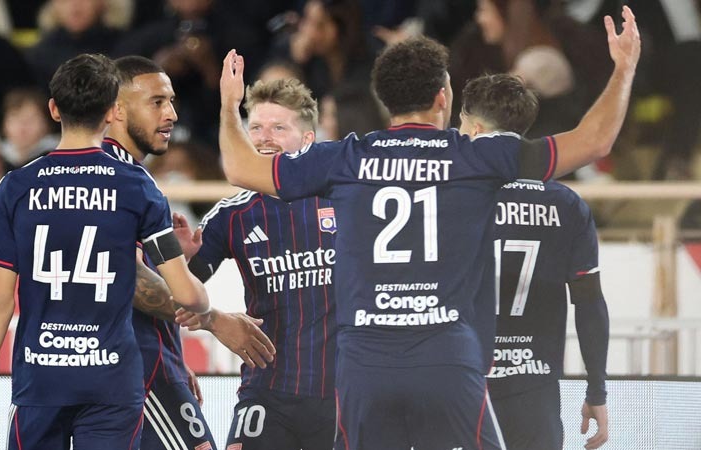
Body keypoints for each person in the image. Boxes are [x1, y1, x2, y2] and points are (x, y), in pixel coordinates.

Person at [215, 5, 639, 449]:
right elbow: (594, 141)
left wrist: (228, 107)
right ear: (443, 96)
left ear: (385, 100)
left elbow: (240, 168)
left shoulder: (344, 158)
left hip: (364, 365)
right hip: (447, 359)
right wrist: (623, 69)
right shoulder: (476, 155)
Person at [0, 53, 210, 450]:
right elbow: (185, 294)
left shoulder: (16, 187)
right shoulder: (138, 186)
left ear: (53, 109)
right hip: (111, 380)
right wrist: (204, 300)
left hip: (41, 378)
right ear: (113, 110)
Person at [103, 55, 276, 450]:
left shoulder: (101, 172)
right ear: (116, 109)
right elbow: (127, 279)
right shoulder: (127, 180)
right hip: (136, 367)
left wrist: (172, 351)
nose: (171, 114)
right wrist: (215, 320)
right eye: (157, 102)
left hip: (126, 362)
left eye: (171, 101)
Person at [178, 77, 338, 450]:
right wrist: (181, 262)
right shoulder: (230, 214)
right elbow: (179, 301)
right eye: (256, 128)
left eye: (278, 128)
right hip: (268, 390)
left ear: (308, 139)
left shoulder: (344, 199)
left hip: (342, 392)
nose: (264, 138)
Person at [459, 73, 610, 450]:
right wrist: (596, 390)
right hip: (534, 389)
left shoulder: (451, 198)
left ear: (475, 128)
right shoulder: (567, 204)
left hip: (464, 381)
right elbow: (589, 302)